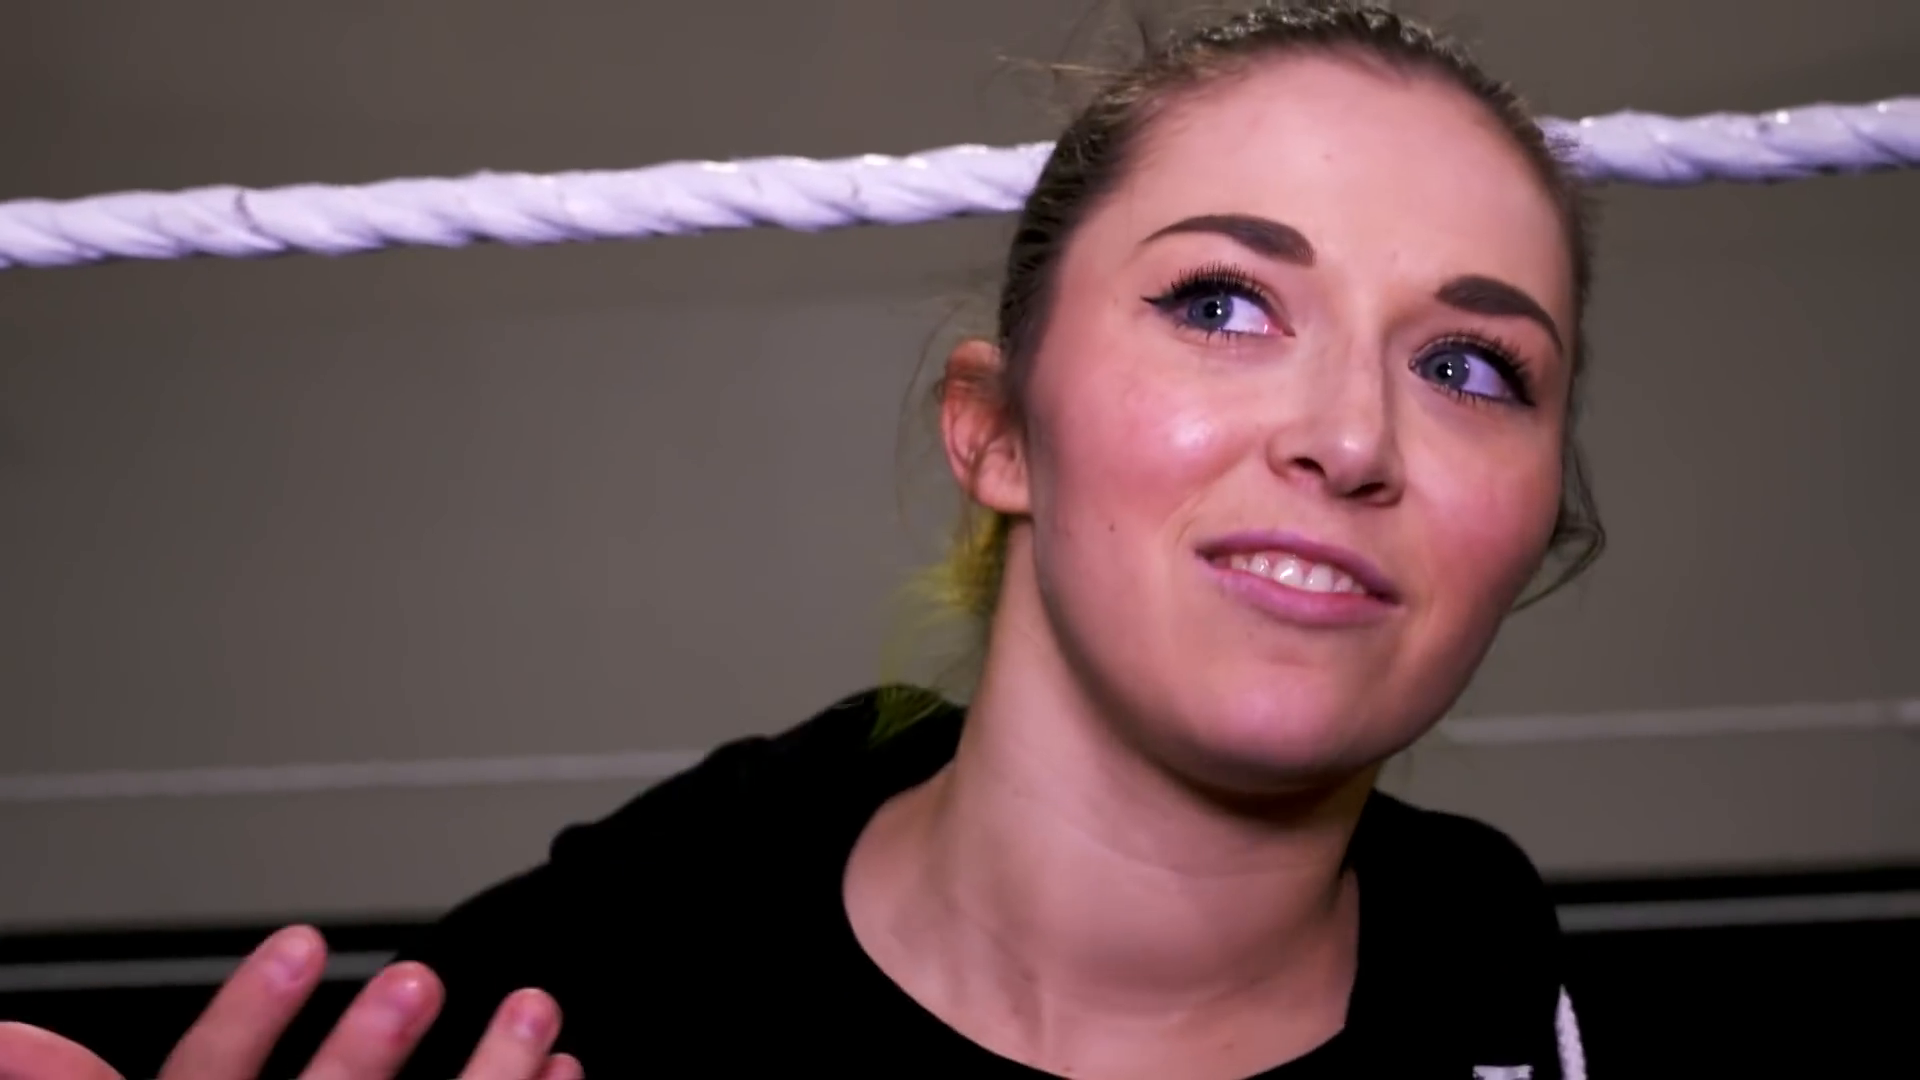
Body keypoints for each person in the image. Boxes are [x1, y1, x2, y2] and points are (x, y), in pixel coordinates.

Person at [0, 3, 1607, 1077]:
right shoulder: (634, 964)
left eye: (1472, 369)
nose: (1349, 438)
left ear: (1541, 523)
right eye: (1223, 304)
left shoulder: (1488, 970)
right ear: (996, 430)